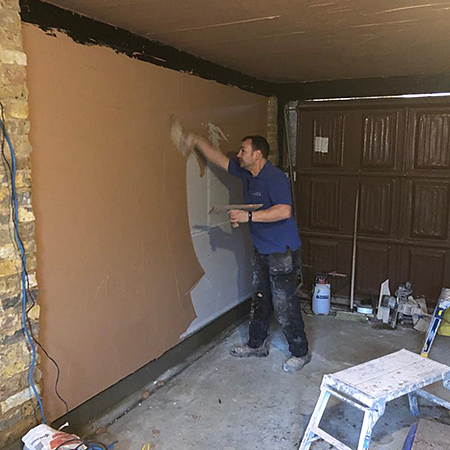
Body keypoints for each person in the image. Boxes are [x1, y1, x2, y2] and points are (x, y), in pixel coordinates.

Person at [185, 133, 310, 373]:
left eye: (243, 151)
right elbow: (220, 160)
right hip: (262, 248)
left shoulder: (275, 178)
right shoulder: (246, 173)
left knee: (284, 304)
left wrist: (248, 216)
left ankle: (299, 352)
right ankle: (256, 345)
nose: (238, 155)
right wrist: (197, 141)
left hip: (281, 250)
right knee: (261, 298)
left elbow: (284, 211)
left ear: (257, 154)